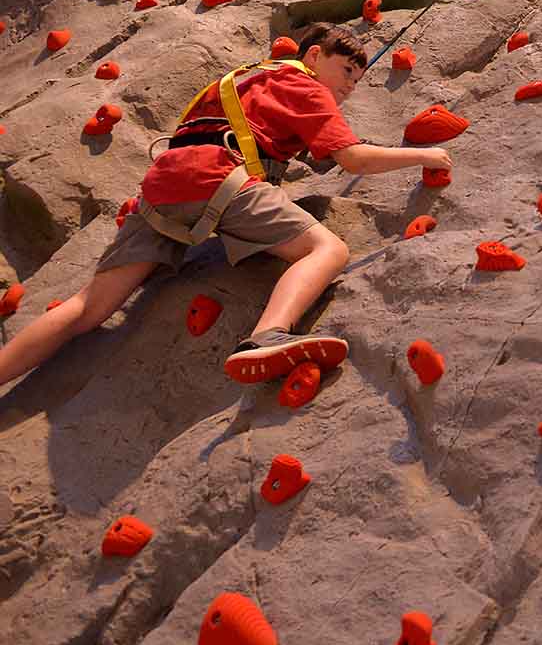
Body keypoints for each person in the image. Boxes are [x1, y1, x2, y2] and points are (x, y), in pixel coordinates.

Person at [0, 23, 453, 392]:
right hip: (219, 179)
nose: (351, 84)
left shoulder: (243, 78)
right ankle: (269, 334)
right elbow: (353, 158)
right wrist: (425, 156)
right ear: (313, 57)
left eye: (358, 77)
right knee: (327, 250)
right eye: (346, 69)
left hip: (162, 189)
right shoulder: (307, 87)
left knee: (87, 309)